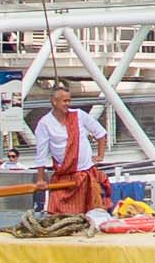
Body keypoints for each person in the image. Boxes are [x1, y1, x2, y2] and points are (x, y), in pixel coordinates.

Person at [31, 84, 110, 215]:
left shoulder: (79, 115)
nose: (68, 104)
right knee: (59, 215)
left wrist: (100, 155)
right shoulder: (44, 123)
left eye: (69, 101)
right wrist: (41, 179)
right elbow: (41, 154)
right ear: (54, 102)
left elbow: (100, 133)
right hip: (63, 178)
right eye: (65, 101)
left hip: (86, 174)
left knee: (91, 214)